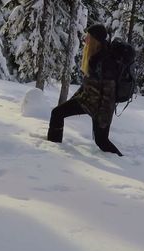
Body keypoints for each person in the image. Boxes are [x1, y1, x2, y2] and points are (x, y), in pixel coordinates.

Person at [46, 24, 123, 156]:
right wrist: (74, 99)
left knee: (102, 141)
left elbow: (109, 93)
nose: (85, 39)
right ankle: (53, 149)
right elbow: (86, 84)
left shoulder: (106, 61)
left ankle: (123, 162)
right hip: (88, 101)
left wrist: (103, 116)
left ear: (95, 40)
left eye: (88, 37)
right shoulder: (95, 56)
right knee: (57, 113)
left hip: (99, 107)